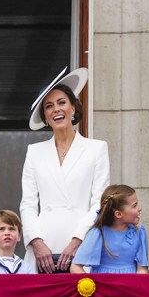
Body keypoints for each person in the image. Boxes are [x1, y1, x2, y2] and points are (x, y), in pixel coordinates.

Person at [21, 67, 110, 273]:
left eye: (62, 102)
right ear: (45, 116)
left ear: (73, 108)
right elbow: (28, 204)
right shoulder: (34, 152)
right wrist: (36, 241)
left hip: (82, 244)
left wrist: (77, 241)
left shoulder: (96, 148)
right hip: (43, 247)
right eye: (49, 106)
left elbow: (99, 202)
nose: (56, 110)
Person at [70, 184, 148, 274]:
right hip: (103, 285)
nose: (140, 208)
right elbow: (75, 267)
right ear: (118, 214)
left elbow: (142, 269)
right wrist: (90, 285)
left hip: (129, 285)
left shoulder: (139, 232)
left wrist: (135, 286)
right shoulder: (98, 233)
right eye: (134, 206)